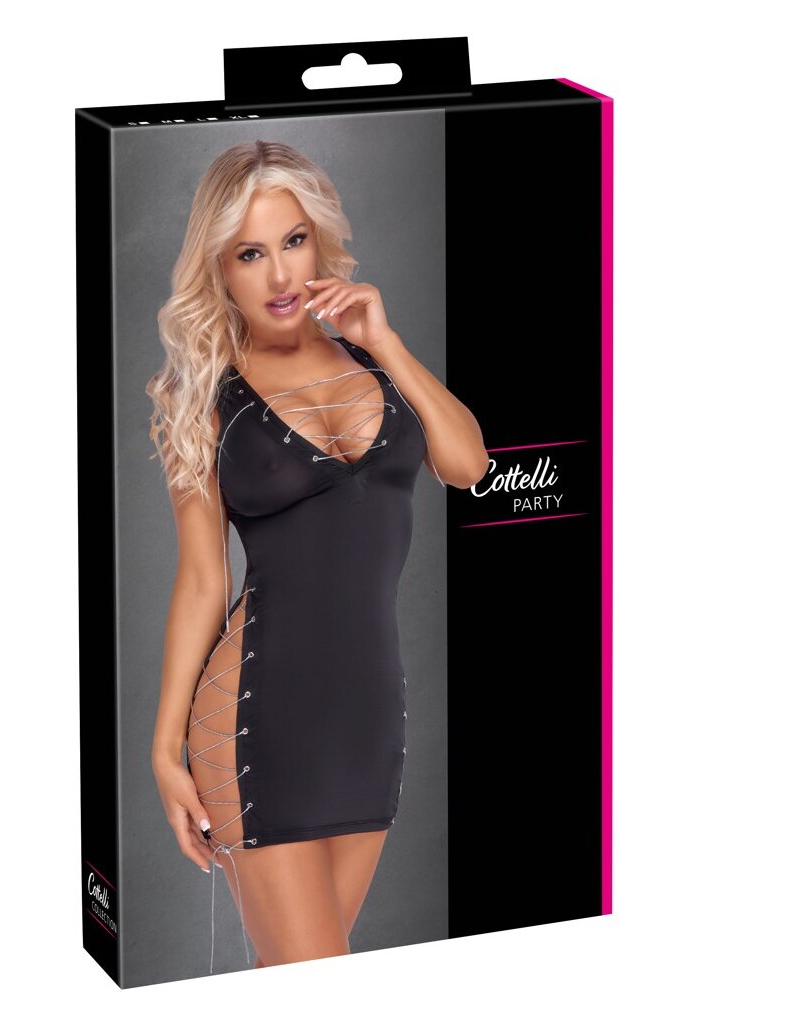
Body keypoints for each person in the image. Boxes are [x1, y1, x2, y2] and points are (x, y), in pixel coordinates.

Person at [147, 140, 488, 973]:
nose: (279, 274)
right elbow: (203, 582)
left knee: (301, 980)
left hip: (367, 720)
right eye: (250, 254)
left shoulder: (377, 363)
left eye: (294, 241)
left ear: (320, 239)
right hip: (255, 715)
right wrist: (163, 751)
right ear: (219, 268)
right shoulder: (206, 400)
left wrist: (386, 340)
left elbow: (468, 464)